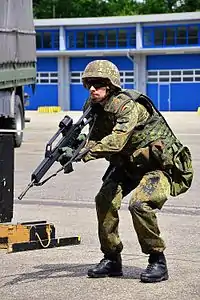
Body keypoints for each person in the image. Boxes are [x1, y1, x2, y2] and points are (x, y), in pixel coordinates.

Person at [59, 60, 193, 283]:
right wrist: (74, 146)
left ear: (111, 86)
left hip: (156, 166)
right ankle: (112, 258)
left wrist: (84, 152)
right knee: (104, 200)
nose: (93, 88)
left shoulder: (127, 106)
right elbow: (93, 136)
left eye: (99, 83)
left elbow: (115, 142)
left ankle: (157, 260)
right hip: (127, 165)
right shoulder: (93, 107)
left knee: (139, 205)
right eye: (89, 83)